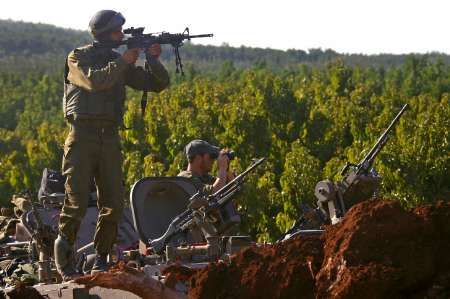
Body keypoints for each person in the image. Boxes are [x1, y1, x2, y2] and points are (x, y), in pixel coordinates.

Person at [55, 10, 170, 280]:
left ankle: (102, 259)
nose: (122, 36)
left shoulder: (117, 61)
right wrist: (124, 60)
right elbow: (95, 82)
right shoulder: (78, 58)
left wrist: (152, 60)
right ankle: (64, 259)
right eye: (118, 32)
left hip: (109, 137)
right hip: (82, 136)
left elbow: (155, 84)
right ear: (105, 33)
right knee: (77, 204)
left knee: (114, 203)